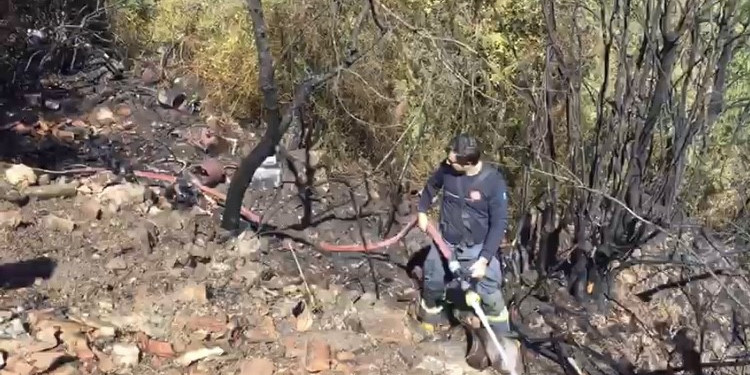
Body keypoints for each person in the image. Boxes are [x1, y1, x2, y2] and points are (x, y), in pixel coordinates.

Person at [415, 133, 521, 373]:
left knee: (490, 292)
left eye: (453, 161)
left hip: (478, 247)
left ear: (469, 163)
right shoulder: (447, 169)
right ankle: (431, 318)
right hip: (446, 241)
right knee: (432, 278)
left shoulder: (492, 182)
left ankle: (503, 336)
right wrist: (422, 210)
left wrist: (484, 260)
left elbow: (499, 223)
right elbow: (431, 186)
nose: (447, 162)